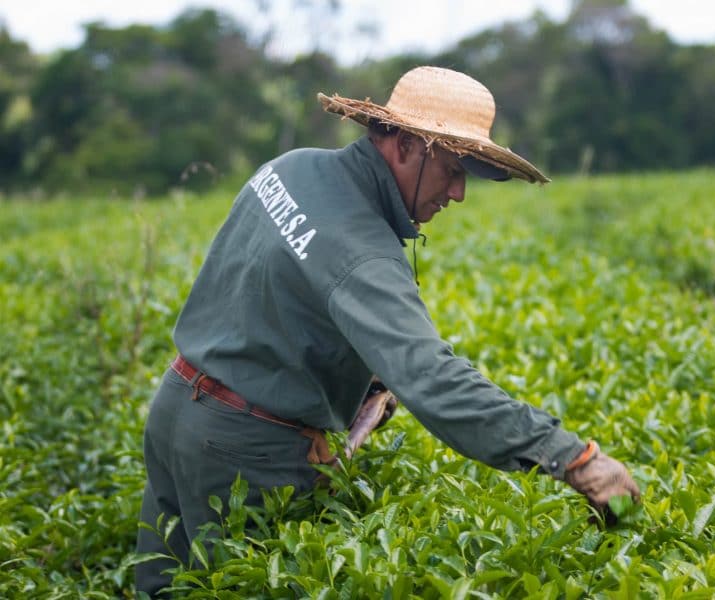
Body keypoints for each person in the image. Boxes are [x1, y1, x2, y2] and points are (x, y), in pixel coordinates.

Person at [135, 66, 640, 594]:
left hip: (176, 410)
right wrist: (573, 458)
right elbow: (434, 381)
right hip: (242, 454)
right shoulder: (363, 252)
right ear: (405, 146)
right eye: (452, 168)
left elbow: (271, 295)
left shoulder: (291, 168)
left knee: (162, 587)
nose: (460, 192)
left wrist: (362, 379)